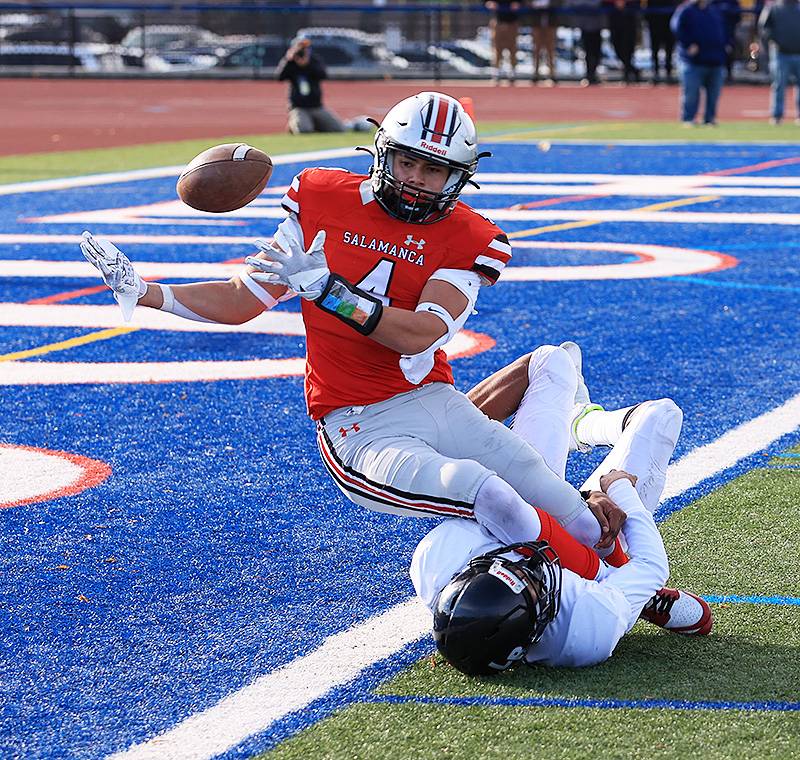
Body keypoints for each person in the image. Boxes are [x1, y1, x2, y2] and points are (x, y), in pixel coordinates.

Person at [79, 92, 622, 566]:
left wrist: (329, 293)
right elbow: (245, 298)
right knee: (493, 498)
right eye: (409, 162)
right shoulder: (320, 198)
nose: (416, 180)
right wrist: (147, 292)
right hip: (359, 423)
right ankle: (612, 592)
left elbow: (419, 334)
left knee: (568, 508)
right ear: (383, 153)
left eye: (433, 171)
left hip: (435, 401)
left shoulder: (471, 237)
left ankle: (638, 582)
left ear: (458, 178)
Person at [412, 344, 712, 675]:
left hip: (532, 511)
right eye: (537, 582)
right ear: (539, 625)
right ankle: (639, 598)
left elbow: (518, 507)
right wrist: (618, 489)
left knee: (551, 362)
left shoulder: (439, 558)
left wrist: (580, 500)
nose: (535, 565)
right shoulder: (584, 630)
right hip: (597, 564)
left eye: (519, 567)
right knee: (660, 417)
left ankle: (576, 423)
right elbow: (652, 565)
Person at [671, 0, 732, 125]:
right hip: (693, 61)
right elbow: (676, 27)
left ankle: (710, 119)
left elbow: (724, 29)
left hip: (715, 59)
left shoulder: (714, 10)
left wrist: (726, 44)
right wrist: (688, 44)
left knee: (714, 94)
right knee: (691, 93)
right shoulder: (686, 10)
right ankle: (688, 119)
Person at [276, 37, 346, 135]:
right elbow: (280, 77)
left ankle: (316, 123)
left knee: (339, 129)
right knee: (304, 130)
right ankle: (293, 125)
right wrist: (288, 60)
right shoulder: (290, 63)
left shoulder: (314, 60)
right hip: (299, 107)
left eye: (305, 48)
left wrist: (307, 64)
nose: (303, 50)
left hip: (316, 106)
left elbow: (323, 75)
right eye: (301, 47)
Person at [758, 0, 800, 125]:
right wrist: (770, 47)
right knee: (779, 85)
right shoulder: (774, 8)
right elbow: (763, 28)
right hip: (780, 54)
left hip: (798, 53)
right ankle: (777, 116)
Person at [485, 1, 522, 83]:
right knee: (497, 48)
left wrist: (518, 4)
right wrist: (489, 3)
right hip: (498, 20)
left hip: (512, 21)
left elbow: (521, 3)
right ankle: (496, 72)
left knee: (512, 47)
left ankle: (512, 72)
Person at [607, 0, 642, 83]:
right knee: (617, 47)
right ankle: (632, 69)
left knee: (628, 48)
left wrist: (626, 3)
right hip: (615, 18)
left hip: (629, 19)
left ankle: (627, 73)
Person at [644, 0, 678, 84]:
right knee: (655, 46)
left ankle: (669, 72)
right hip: (654, 16)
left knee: (669, 46)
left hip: (669, 16)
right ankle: (655, 72)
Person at [529, 0, 559, 84]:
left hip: (550, 21)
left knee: (551, 48)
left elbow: (558, 3)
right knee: (536, 48)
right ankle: (535, 73)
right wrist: (534, 4)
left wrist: (547, 4)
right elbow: (528, 3)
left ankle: (552, 74)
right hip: (537, 21)